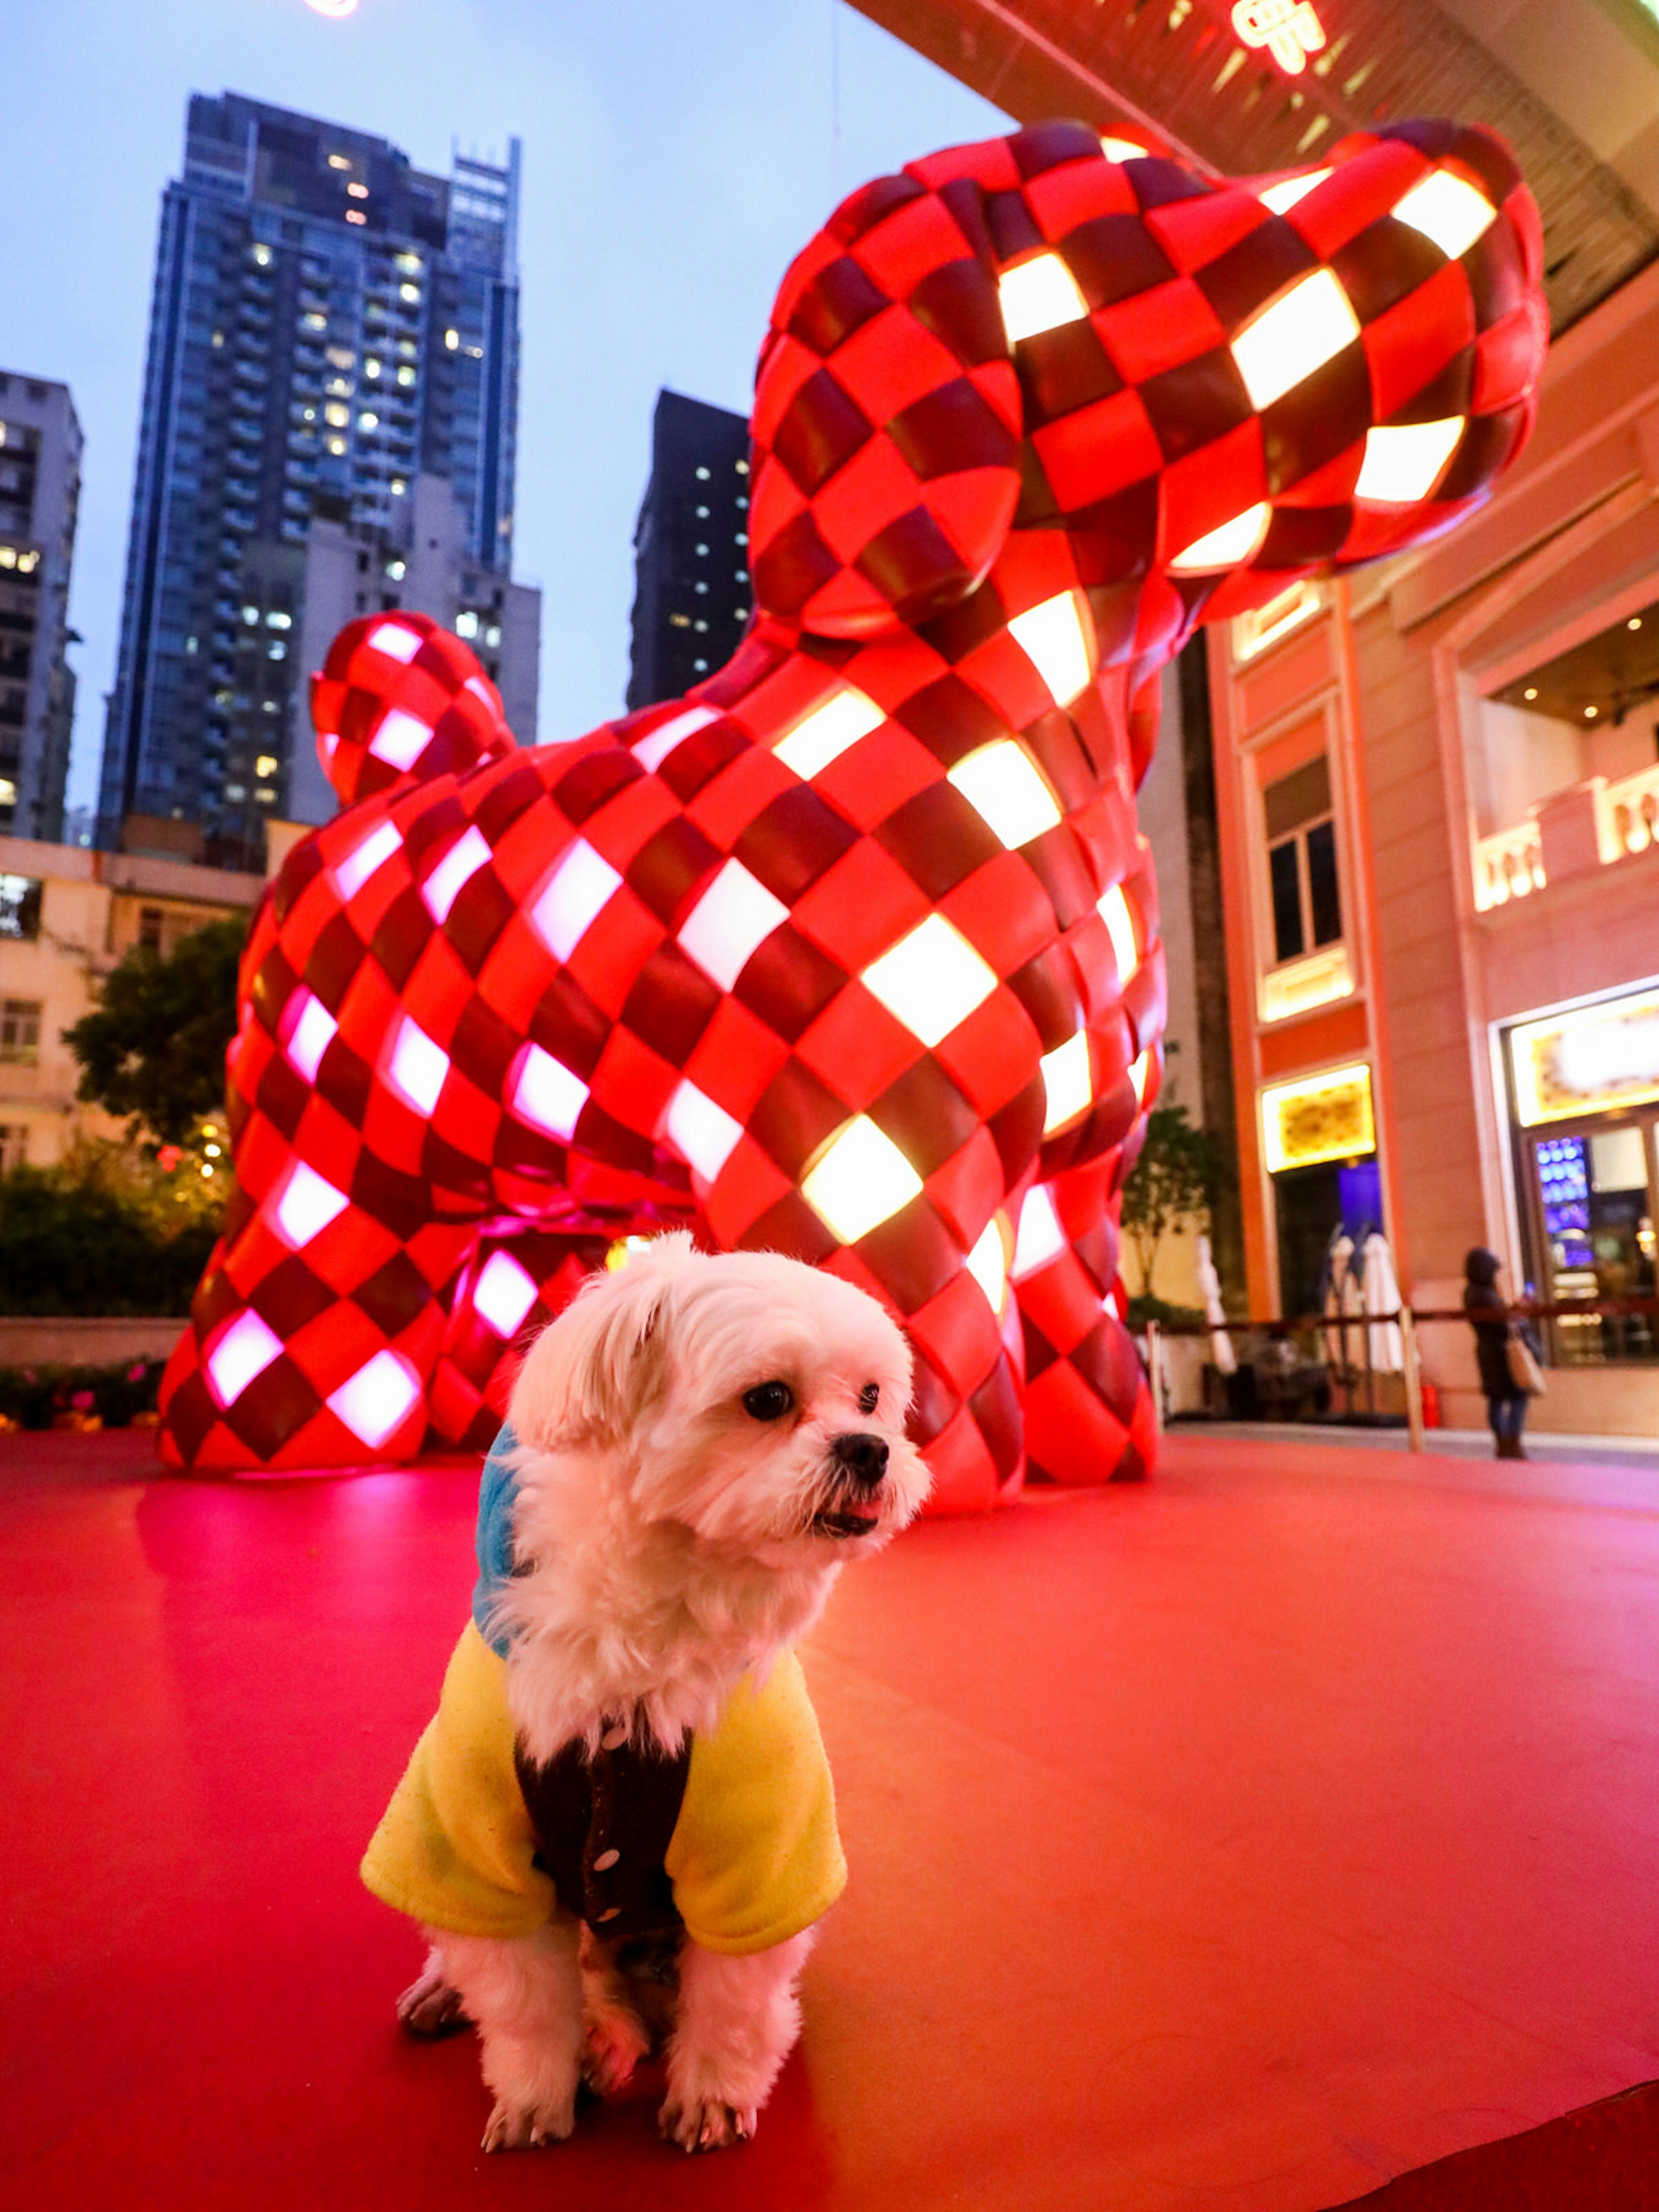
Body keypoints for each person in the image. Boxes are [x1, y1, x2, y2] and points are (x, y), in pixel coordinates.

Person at [1463, 1248, 1536, 1459]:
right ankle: (1510, 1443)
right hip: (1500, 1353)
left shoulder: (1474, 1292)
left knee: (1497, 1399)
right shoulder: (1484, 1293)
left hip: (1489, 1351)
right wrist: (1517, 1315)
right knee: (1517, 1396)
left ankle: (1505, 1444)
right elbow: (1501, 1324)